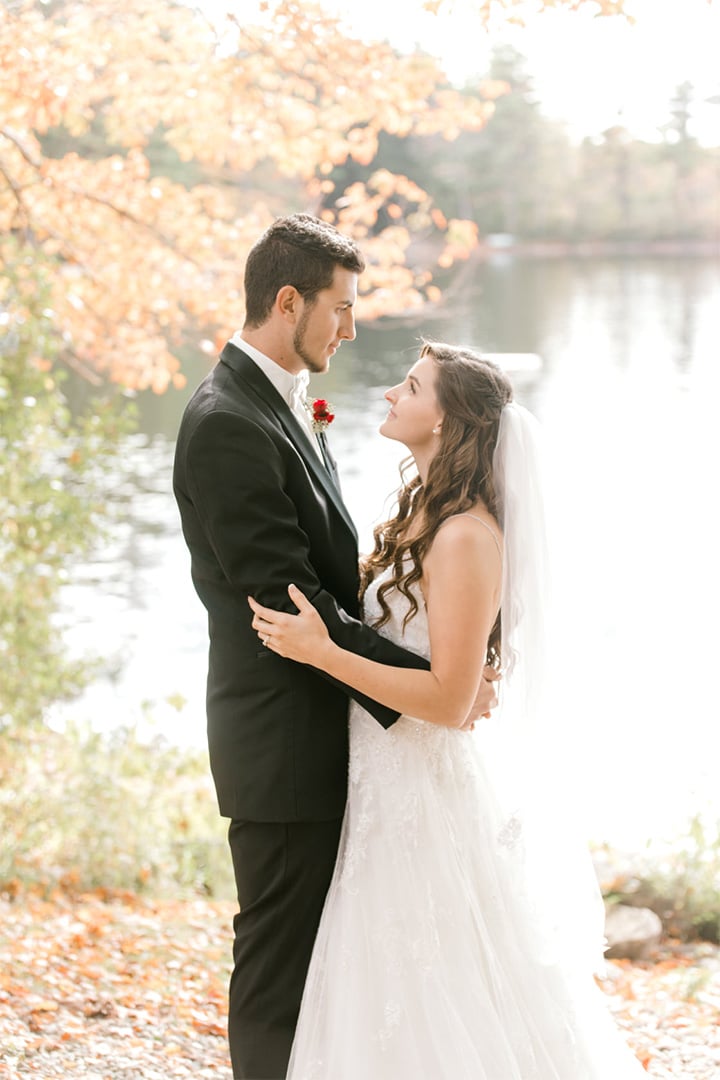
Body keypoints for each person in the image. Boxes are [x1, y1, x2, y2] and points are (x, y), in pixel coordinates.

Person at [249, 341, 649, 1079]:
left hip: (421, 797)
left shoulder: (466, 534)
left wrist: (322, 653)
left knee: (438, 987)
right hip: (382, 784)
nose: (394, 395)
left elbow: (448, 699)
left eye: (411, 386)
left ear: (447, 419)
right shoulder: (425, 515)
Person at [172, 216, 497, 1080]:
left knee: (328, 975)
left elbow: (336, 582)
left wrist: (452, 672)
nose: (351, 330)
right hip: (280, 743)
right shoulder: (227, 422)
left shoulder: (279, 408)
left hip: (331, 737)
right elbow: (292, 603)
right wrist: (436, 686)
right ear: (289, 302)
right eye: (342, 309)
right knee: (279, 975)